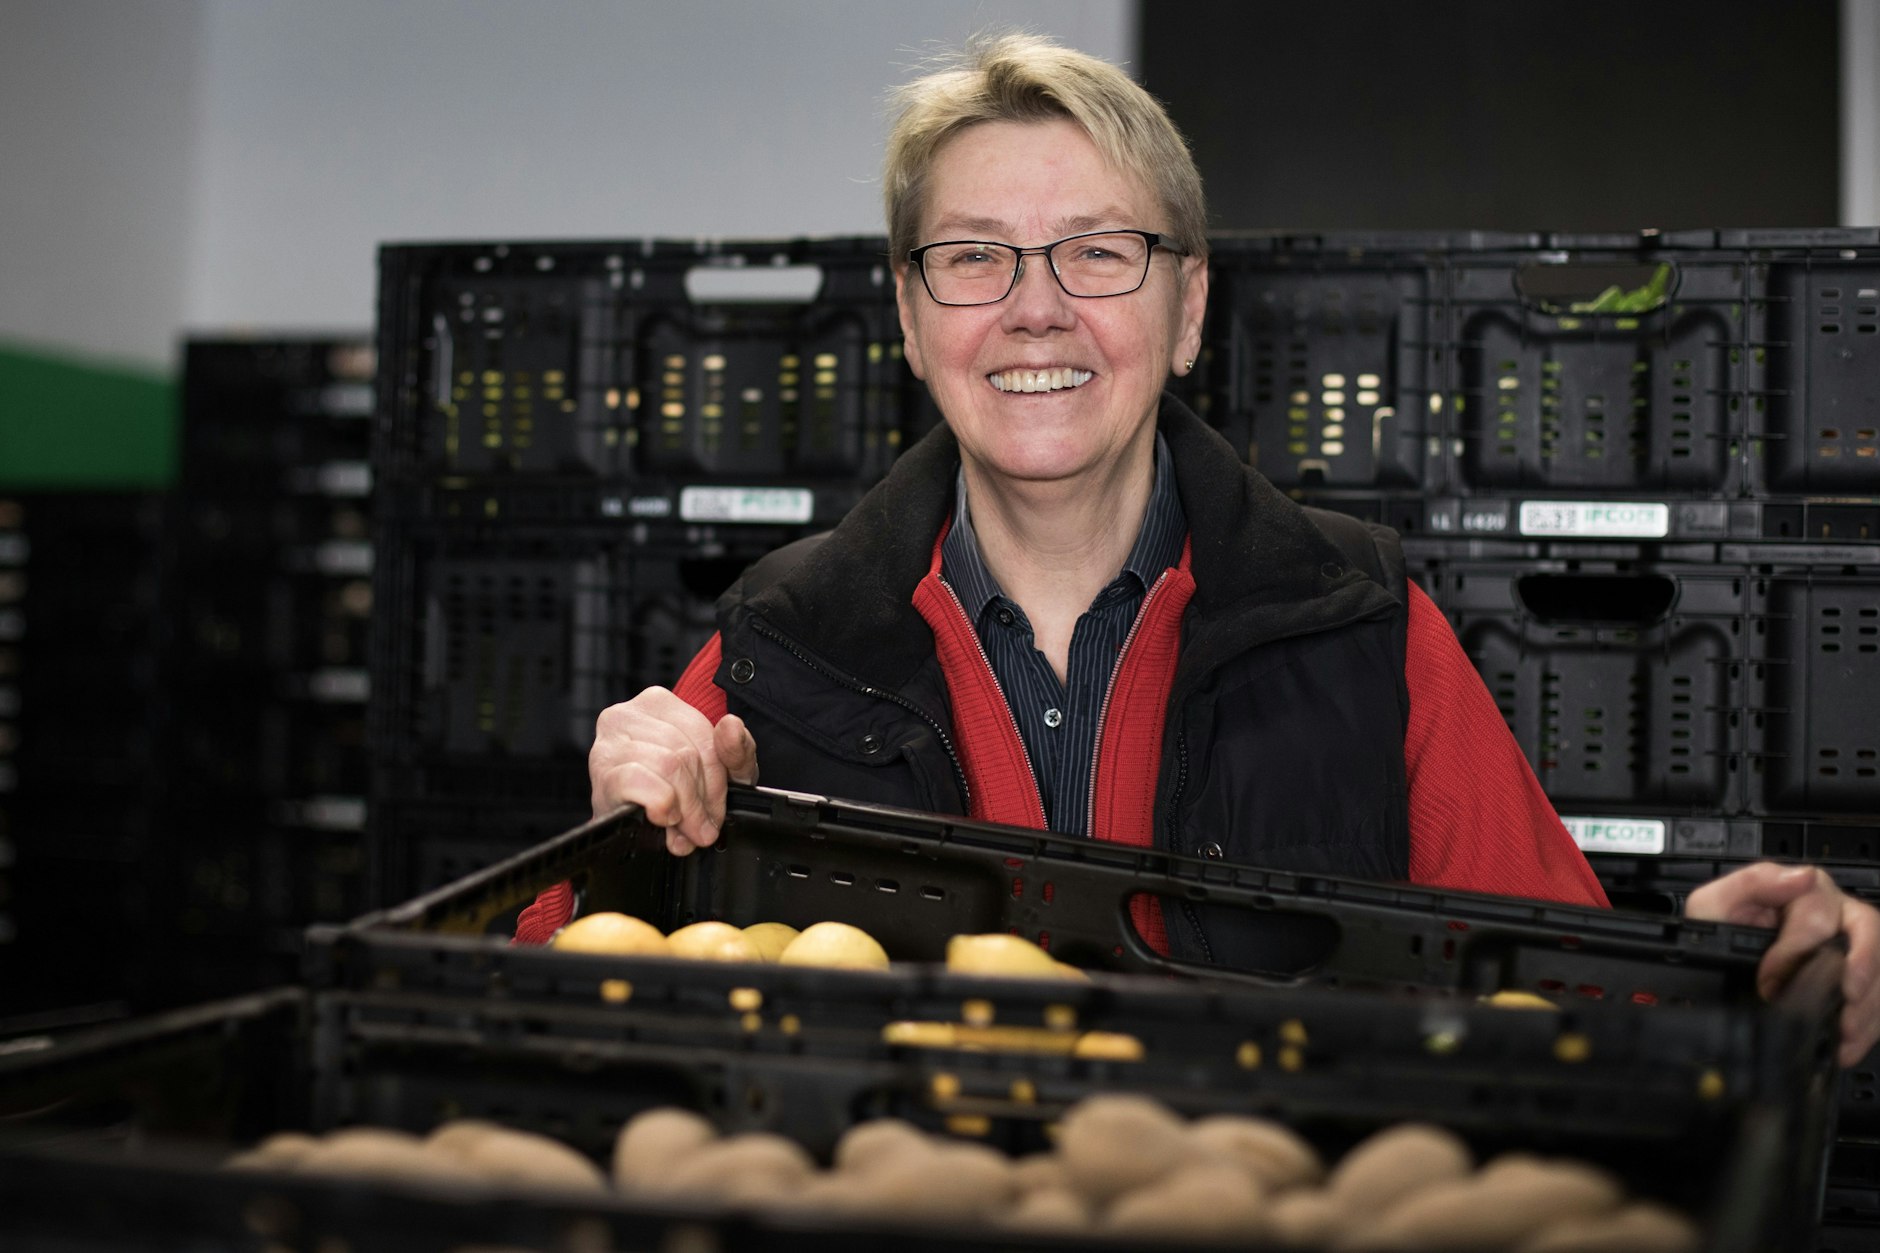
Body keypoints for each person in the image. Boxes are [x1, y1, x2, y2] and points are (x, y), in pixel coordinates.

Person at [518, 33, 1879, 1066]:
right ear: (913, 316)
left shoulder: (1358, 624)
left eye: (1098, 253)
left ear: (1187, 309)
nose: (1036, 311)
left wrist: (1747, 963)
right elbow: (555, 1006)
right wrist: (632, 841)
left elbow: (1582, 1002)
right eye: (977, 257)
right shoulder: (781, 644)